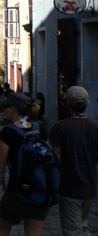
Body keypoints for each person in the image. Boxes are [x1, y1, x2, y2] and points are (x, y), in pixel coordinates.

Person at [0, 92, 51, 235]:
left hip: (16, 192)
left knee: (0, 231)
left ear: (13, 109)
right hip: (40, 191)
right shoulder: (39, 130)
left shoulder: (7, 133)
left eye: (5, 107)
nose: (3, 110)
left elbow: (0, 168)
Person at [50, 86, 98, 236]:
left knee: (73, 230)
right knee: (83, 227)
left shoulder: (61, 127)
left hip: (70, 186)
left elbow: (53, 156)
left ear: (67, 103)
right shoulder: (95, 126)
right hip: (90, 186)